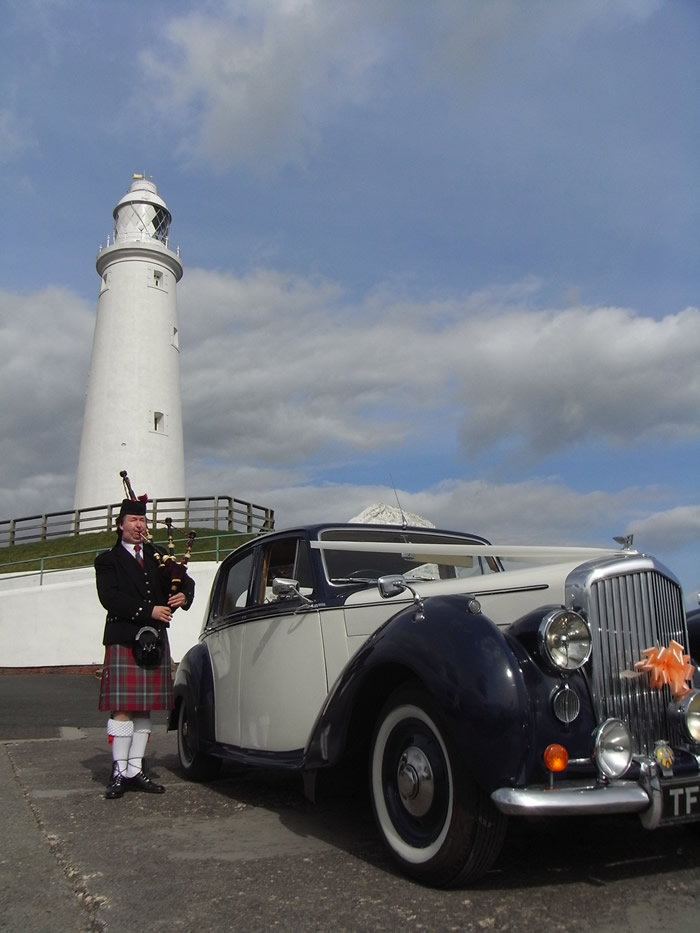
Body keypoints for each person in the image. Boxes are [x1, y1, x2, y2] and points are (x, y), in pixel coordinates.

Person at [95, 498, 195, 799]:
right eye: (134, 520)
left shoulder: (157, 556)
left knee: (143, 707)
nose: (140, 526)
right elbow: (109, 598)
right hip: (124, 637)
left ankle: (135, 769)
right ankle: (118, 770)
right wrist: (149, 611)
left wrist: (183, 597)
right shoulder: (107, 560)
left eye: (143, 521)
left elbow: (184, 581)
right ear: (120, 525)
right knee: (123, 707)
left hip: (154, 641)